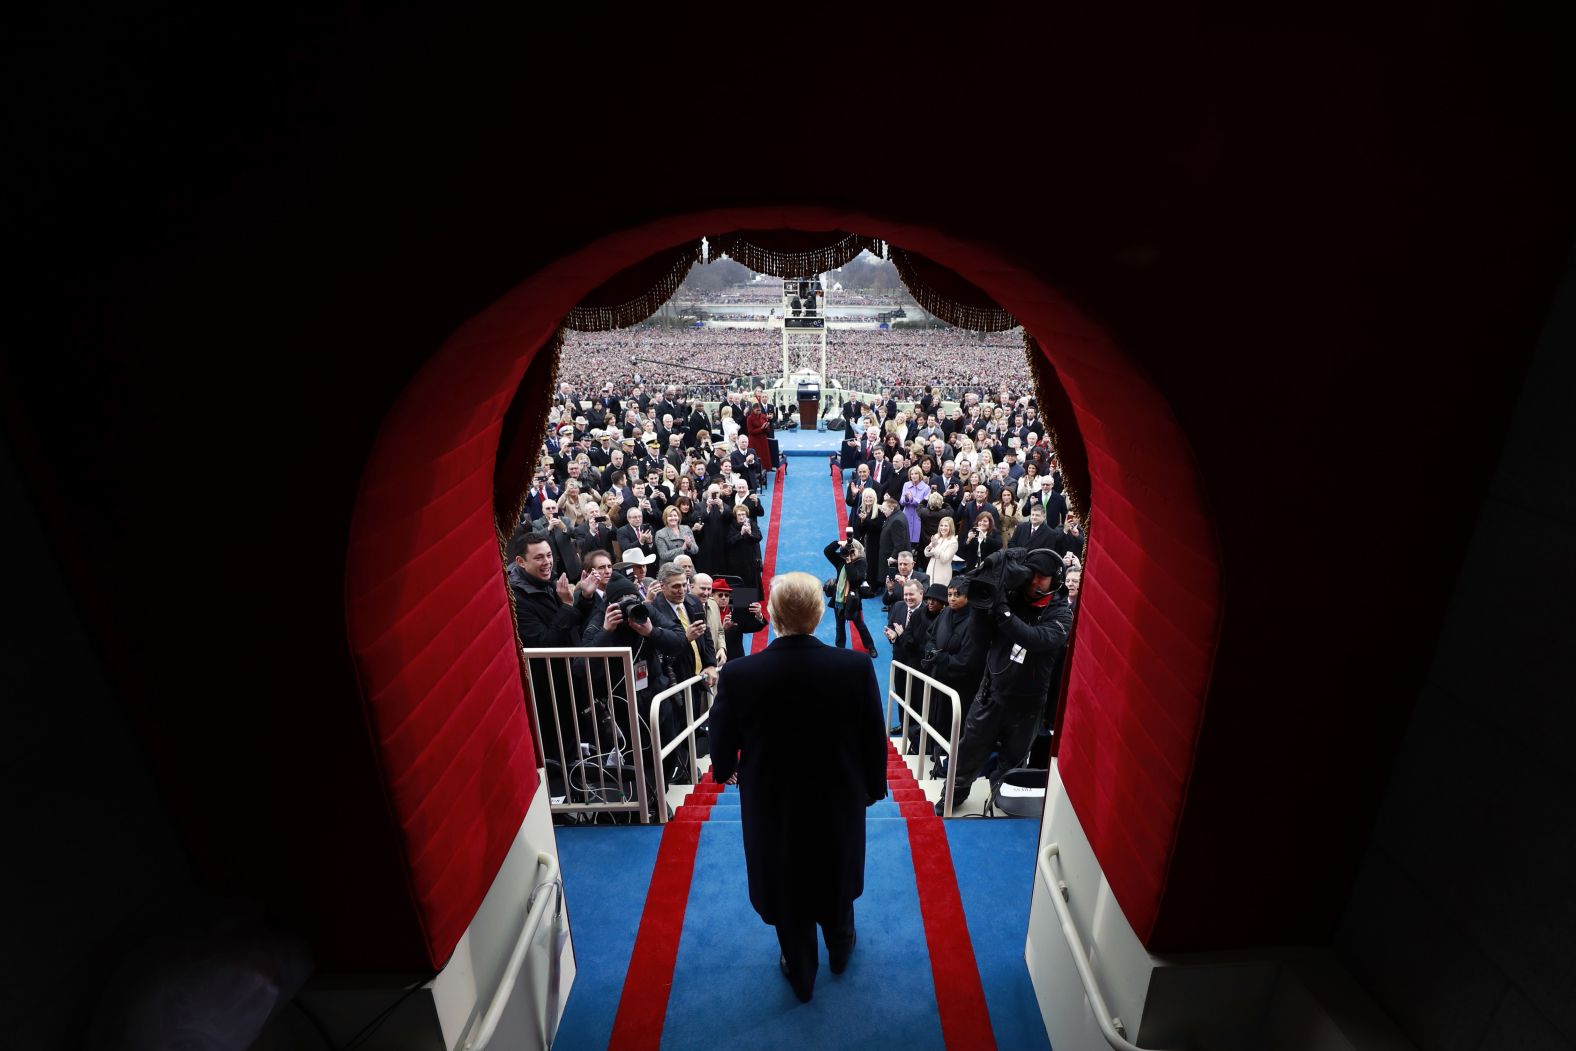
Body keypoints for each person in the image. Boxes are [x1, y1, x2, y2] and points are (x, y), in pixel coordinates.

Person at [707, 572, 888, 1003]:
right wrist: (873, 787)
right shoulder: (855, 667)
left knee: (785, 881)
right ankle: (841, 948)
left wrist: (723, 770)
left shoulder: (739, 674)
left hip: (773, 803)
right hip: (838, 798)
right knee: (836, 869)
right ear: (820, 613)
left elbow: (722, 742)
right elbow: (871, 735)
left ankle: (802, 974)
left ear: (770, 614)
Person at [940, 549, 1074, 814]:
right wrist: (984, 598)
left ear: (1055, 580)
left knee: (1012, 761)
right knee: (969, 751)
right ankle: (951, 797)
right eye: (1031, 575)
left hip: (1028, 705)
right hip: (992, 693)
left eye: (1042, 578)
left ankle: (1002, 805)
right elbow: (980, 638)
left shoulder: (1061, 615)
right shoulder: (1010, 598)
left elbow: (1033, 639)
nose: (1035, 582)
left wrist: (1002, 611)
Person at [824, 537, 876, 655]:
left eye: (853, 551)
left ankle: (870, 646)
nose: (851, 554)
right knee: (839, 625)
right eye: (849, 550)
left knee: (859, 624)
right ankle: (840, 648)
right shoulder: (840, 560)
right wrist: (839, 543)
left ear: (859, 551)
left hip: (853, 599)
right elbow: (827, 551)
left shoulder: (861, 562)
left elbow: (854, 578)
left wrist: (848, 562)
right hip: (838, 598)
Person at [726, 502, 764, 591]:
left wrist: (750, 533)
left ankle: (753, 603)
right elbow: (729, 541)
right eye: (739, 514)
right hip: (737, 561)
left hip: (751, 560)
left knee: (751, 584)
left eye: (743, 514)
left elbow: (759, 537)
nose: (741, 517)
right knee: (740, 585)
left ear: (746, 514)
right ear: (736, 515)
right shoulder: (731, 525)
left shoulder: (752, 523)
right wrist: (741, 533)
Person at [654, 504, 699, 573]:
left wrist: (690, 545)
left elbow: (696, 550)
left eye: (675, 515)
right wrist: (682, 549)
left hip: (687, 568)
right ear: (665, 518)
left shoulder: (686, 528)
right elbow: (663, 555)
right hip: (670, 569)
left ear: (679, 517)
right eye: (670, 516)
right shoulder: (660, 533)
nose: (673, 518)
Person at [923, 515, 959, 587]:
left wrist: (936, 546)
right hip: (930, 570)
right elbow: (926, 554)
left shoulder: (953, 542)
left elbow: (944, 559)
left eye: (946, 526)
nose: (943, 528)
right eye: (941, 525)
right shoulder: (937, 536)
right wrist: (931, 546)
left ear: (950, 527)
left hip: (942, 573)